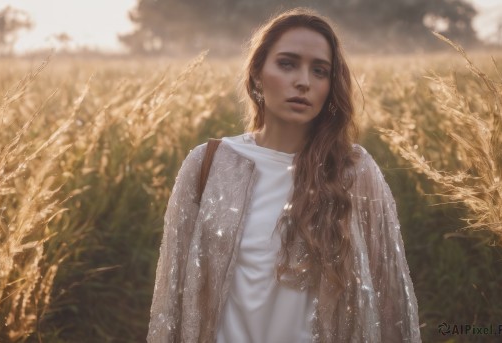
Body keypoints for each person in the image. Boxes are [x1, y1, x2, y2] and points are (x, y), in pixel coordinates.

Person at [147, 7, 421, 343]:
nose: (303, 81)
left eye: (319, 71)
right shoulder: (208, 163)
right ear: (258, 74)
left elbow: (388, 293)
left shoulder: (353, 171)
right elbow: (172, 296)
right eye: (287, 64)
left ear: (330, 85)